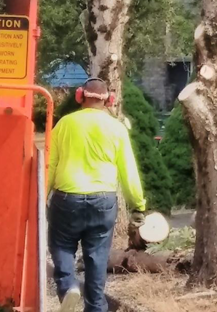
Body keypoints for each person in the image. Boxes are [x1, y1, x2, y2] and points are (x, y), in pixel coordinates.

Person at [48, 78, 147, 312]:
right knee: (97, 257)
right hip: (103, 201)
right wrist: (138, 205)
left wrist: (40, 198)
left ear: (80, 96)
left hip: (66, 199)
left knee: (61, 247)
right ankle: (96, 308)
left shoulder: (64, 124)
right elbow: (128, 171)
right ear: (109, 101)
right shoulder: (117, 128)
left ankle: (69, 287)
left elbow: (50, 164)